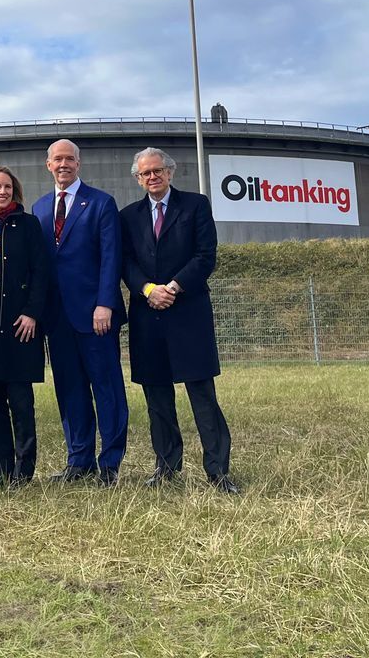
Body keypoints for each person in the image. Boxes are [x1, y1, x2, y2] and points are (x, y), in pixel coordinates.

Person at [119, 147, 238, 494]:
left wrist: (172, 287)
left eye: (157, 170)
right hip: (147, 315)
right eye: (145, 173)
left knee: (202, 395)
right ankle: (166, 466)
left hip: (188, 313)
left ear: (170, 172)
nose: (152, 177)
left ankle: (218, 471)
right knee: (157, 398)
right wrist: (147, 289)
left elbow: (205, 255)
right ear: (138, 179)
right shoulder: (128, 216)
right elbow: (125, 261)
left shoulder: (195, 205)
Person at [33, 139, 128, 486]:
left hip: (95, 316)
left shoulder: (101, 203)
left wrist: (105, 303)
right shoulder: (40, 207)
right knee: (69, 389)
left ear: (78, 163)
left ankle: (110, 463)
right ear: (48, 165)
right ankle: (79, 460)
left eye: (69, 159)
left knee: (106, 388)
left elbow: (111, 257)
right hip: (57, 318)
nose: (63, 164)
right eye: (57, 159)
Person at [0, 166, 51, 488]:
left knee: (21, 400)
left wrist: (32, 313)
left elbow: (41, 272)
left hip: (19, 324)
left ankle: (23, 471)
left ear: (14, 191)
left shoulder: (27, 224)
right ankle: (1, 471)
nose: (2, 192)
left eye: (7, 187)